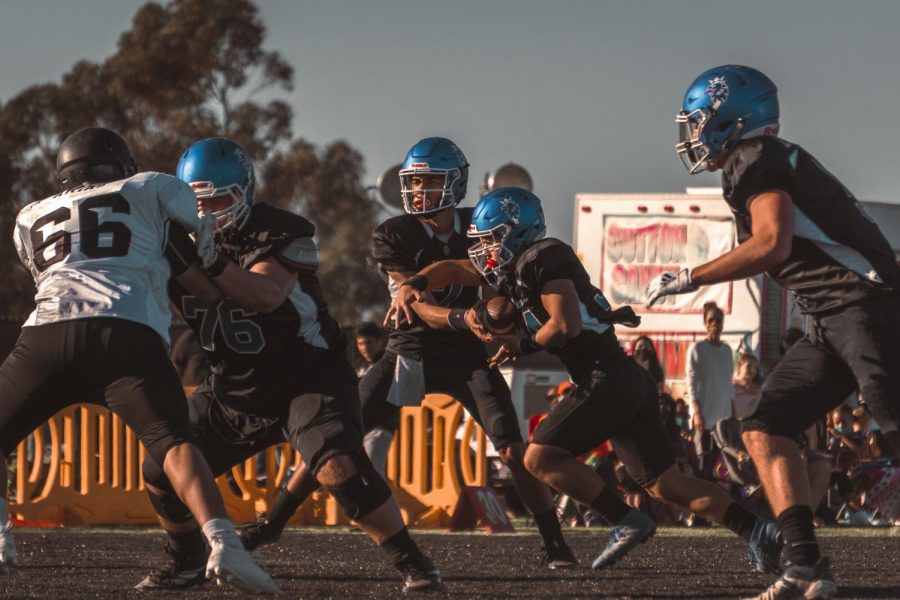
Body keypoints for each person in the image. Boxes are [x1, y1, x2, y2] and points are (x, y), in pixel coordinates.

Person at [390, 187, 783, 574]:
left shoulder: (543, 256)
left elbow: (564, 324)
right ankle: (756, 528)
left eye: (491, 240)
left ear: (517, 232)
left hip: (605, 376)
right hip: (622, 378)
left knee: (538, 457)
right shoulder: (518, 268)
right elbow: (457, 268)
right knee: (666, 484)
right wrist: (417, 284)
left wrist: (522, 346)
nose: (483, 250)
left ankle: (624, 519)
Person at [240, 137, 577, 569]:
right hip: (409, 350)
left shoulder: (479, 223)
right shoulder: (394, 234)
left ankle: (553, 541)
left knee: (512, 450)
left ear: (455, 184)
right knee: (333, 437)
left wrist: (499, 312)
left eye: (429, 181)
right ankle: (274, 522)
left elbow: (501, 281)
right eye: (413, 181)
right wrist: (464, 318)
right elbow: (412, 302)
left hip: (467, 357)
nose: (418, 191)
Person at [136, 137, 441, 593]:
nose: (207, 213)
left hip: (307, 377)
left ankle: (413, 562)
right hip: (233, 387)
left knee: (338, 466)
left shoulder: (280, 230)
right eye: (197, 202)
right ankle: (185, 560)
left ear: (244, 192)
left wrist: (205, 259)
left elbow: (265, 294)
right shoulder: (174, 241)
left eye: (218, 199)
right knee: (160, 468)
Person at [648, 64, 900, 599]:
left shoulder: (754, 159)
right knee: (763, 428)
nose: (692, 135)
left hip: (867, 306)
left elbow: (771, 244)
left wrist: (691, 276)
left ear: (731, 120)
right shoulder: (759, 160)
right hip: (832, 318)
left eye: (699, 122)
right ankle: (805, 566)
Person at [0, 128, 278, 593]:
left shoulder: (30, 214)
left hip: (47, 332)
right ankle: (224, 542)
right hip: (124, 331)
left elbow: (51, 269)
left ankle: (2, 539)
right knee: (173, 443)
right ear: (120, 167)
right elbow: (203, 227)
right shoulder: (148, 185)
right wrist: (203, 258)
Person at [687, 302, 734, 481]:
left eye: (718, 319)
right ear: (706, 323)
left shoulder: (727, 351)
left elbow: (728, 384)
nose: (715, 322)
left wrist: (733, 414)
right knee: (702, 466)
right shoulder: (698, 349)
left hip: (723, 419)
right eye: (711, 319)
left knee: (721, 466)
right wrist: (697, 412)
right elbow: (690, 382)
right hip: (704, 418)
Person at [732, 353, 762, 420]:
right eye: (748, 366)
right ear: (740, 366)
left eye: (755, 368)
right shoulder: (730, 384)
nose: (752, 370)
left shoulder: (758, 390)